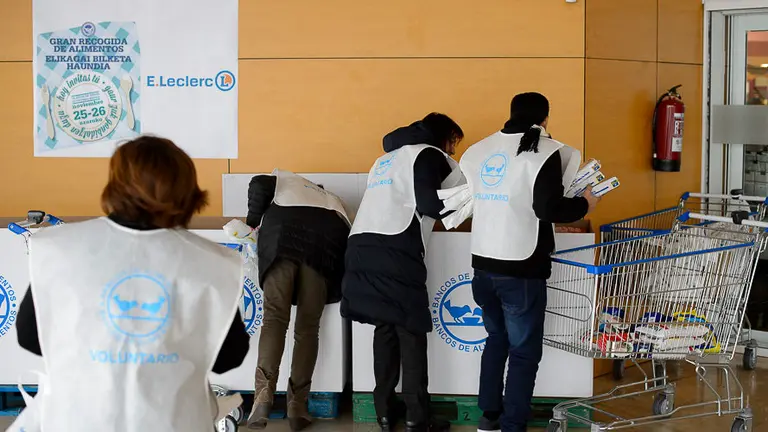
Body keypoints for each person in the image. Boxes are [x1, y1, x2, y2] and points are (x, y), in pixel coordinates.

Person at [12, 136, 250, 432]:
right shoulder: (213, 263)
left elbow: (29, 336)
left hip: (77, 420)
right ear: (188, 190)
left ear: (115, 184)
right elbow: (229, 356)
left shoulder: (60, 249)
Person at [458, 93, 600, 432]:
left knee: (496, 339)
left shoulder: (478, 150)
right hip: (521, 267)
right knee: (523, 351)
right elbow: (548, 209)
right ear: (545, 118)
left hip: (483, 264)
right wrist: (585, 205)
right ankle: (513, 424)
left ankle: (489, 417)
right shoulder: (545, 152)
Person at [341, 113, 465, 432]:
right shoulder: (426, 154)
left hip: (361, 246)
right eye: (453, 142)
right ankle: (416, 417)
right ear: (443, 135)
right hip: (395, 246)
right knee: (410, 333)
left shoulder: (385, 159)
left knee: (385, 330)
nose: (453, 151)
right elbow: (430, 206)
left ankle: (384, 412)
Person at [244, 169, 351, 431]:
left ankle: (263, 396)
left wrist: (252, 222)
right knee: (307, 328)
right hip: (322, 253)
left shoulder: (285, 181)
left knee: (274, 319)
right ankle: (298, 406)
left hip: (282, 243)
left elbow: (258, 183)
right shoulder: (333, 201)